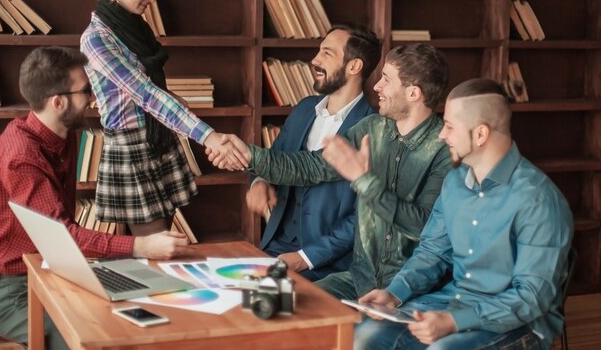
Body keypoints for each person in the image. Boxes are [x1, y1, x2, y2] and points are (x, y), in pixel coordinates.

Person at [211, 43, 451, 299]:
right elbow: (311, 166)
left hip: (403, 288)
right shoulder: (372, 127)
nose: (376, 86)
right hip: (358, 278)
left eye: (386, 79)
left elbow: (423, 226)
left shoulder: (445, 149)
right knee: (281, 305)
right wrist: (250, 155)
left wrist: (364, 181)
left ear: (413, 93)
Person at [0, 46, 192, 349]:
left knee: (147, 313)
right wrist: (140, 245)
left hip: (51, 267)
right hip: (9, 286)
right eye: (86, 90)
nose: (94, 97)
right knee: (87, 340)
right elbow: (61, 235)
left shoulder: (63, 132)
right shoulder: (21, 156)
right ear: (58, 102)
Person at [353, 78, 573, 350]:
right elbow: (433, 252)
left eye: (449, 126)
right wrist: (394, 294)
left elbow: (531, 299)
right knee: (362, 336)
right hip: (450, 301)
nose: (442, 135)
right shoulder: (454, 181)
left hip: (518, 323)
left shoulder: (539, 199)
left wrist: (455, 322)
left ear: (480, 134)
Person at [80, 0, 247, 237]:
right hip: (131, 147)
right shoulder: (97, 38)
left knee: (147, 252)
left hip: (158, 139)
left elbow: (148, 88)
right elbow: (144, 93)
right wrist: (208, 136)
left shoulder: (135, 26)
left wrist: (173, 99)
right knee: (156, 252)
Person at [249, 24, 380, 281]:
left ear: (354, 66)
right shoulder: (304, 109)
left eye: (327, 53)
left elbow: (365, 219)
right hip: (274, 249)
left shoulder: (374, 128)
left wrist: (304, 258)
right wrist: (260, 181)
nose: (314, 60)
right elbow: (276, 160)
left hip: (329, 266)